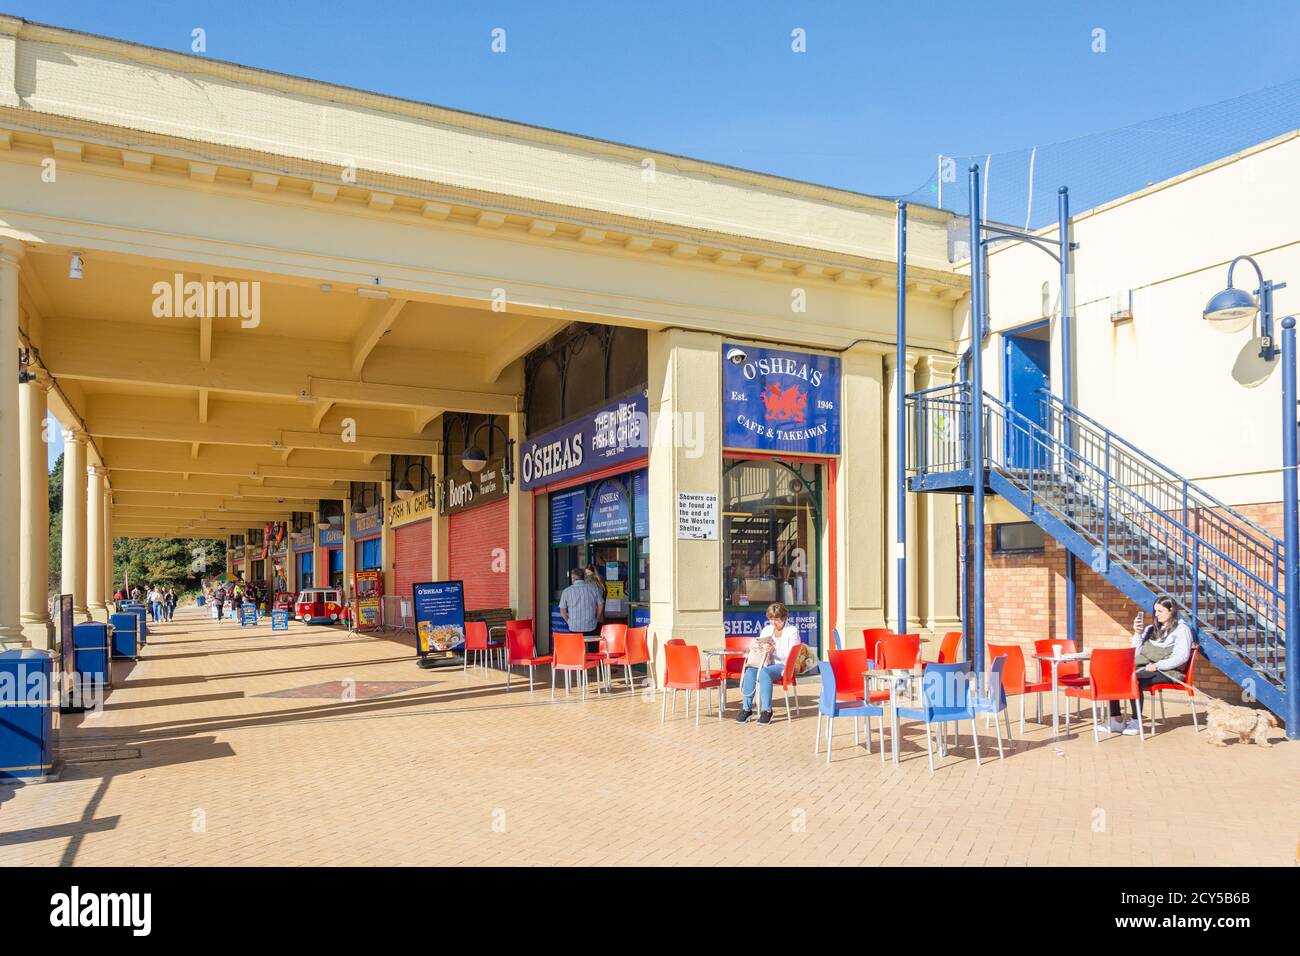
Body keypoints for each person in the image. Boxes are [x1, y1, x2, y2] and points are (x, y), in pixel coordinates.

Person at [1109, 595, 1193, 735]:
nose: (1156, 614)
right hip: (1146, 667)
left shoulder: (1181, 629)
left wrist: (1158, 665)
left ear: (1171, 610)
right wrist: (1137, 633)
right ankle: (1116, 720)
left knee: (1134, 680)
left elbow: (1182, 657)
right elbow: (1136, 654)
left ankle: (1136, 722)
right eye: (1155, 611)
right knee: (1115, 675)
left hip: (1169, 671)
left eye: (1160, 611)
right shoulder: (1150, 629)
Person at [737, 602, 802, 726]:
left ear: (784, 618)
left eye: (776, 620)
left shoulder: (792, 631)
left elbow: (791, 655)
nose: (773, 623)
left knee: (764, 673)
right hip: (766, 662)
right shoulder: (767, 629)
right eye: (771, 619)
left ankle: (766, 710)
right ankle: (747, 709)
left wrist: (774, 649)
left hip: (784, 665)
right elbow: (760, 647)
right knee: (750, 671)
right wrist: (756, 648)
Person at [558, 567, 602, 636]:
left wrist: (569, 622)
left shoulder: (566, 591)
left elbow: (562, 611)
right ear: (583, 577)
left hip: (574, 627)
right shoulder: (593, 589)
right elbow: (601, 604)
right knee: (592, 645)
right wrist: (597, 618)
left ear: (573, 578)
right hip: (591, 625)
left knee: (577, 646)